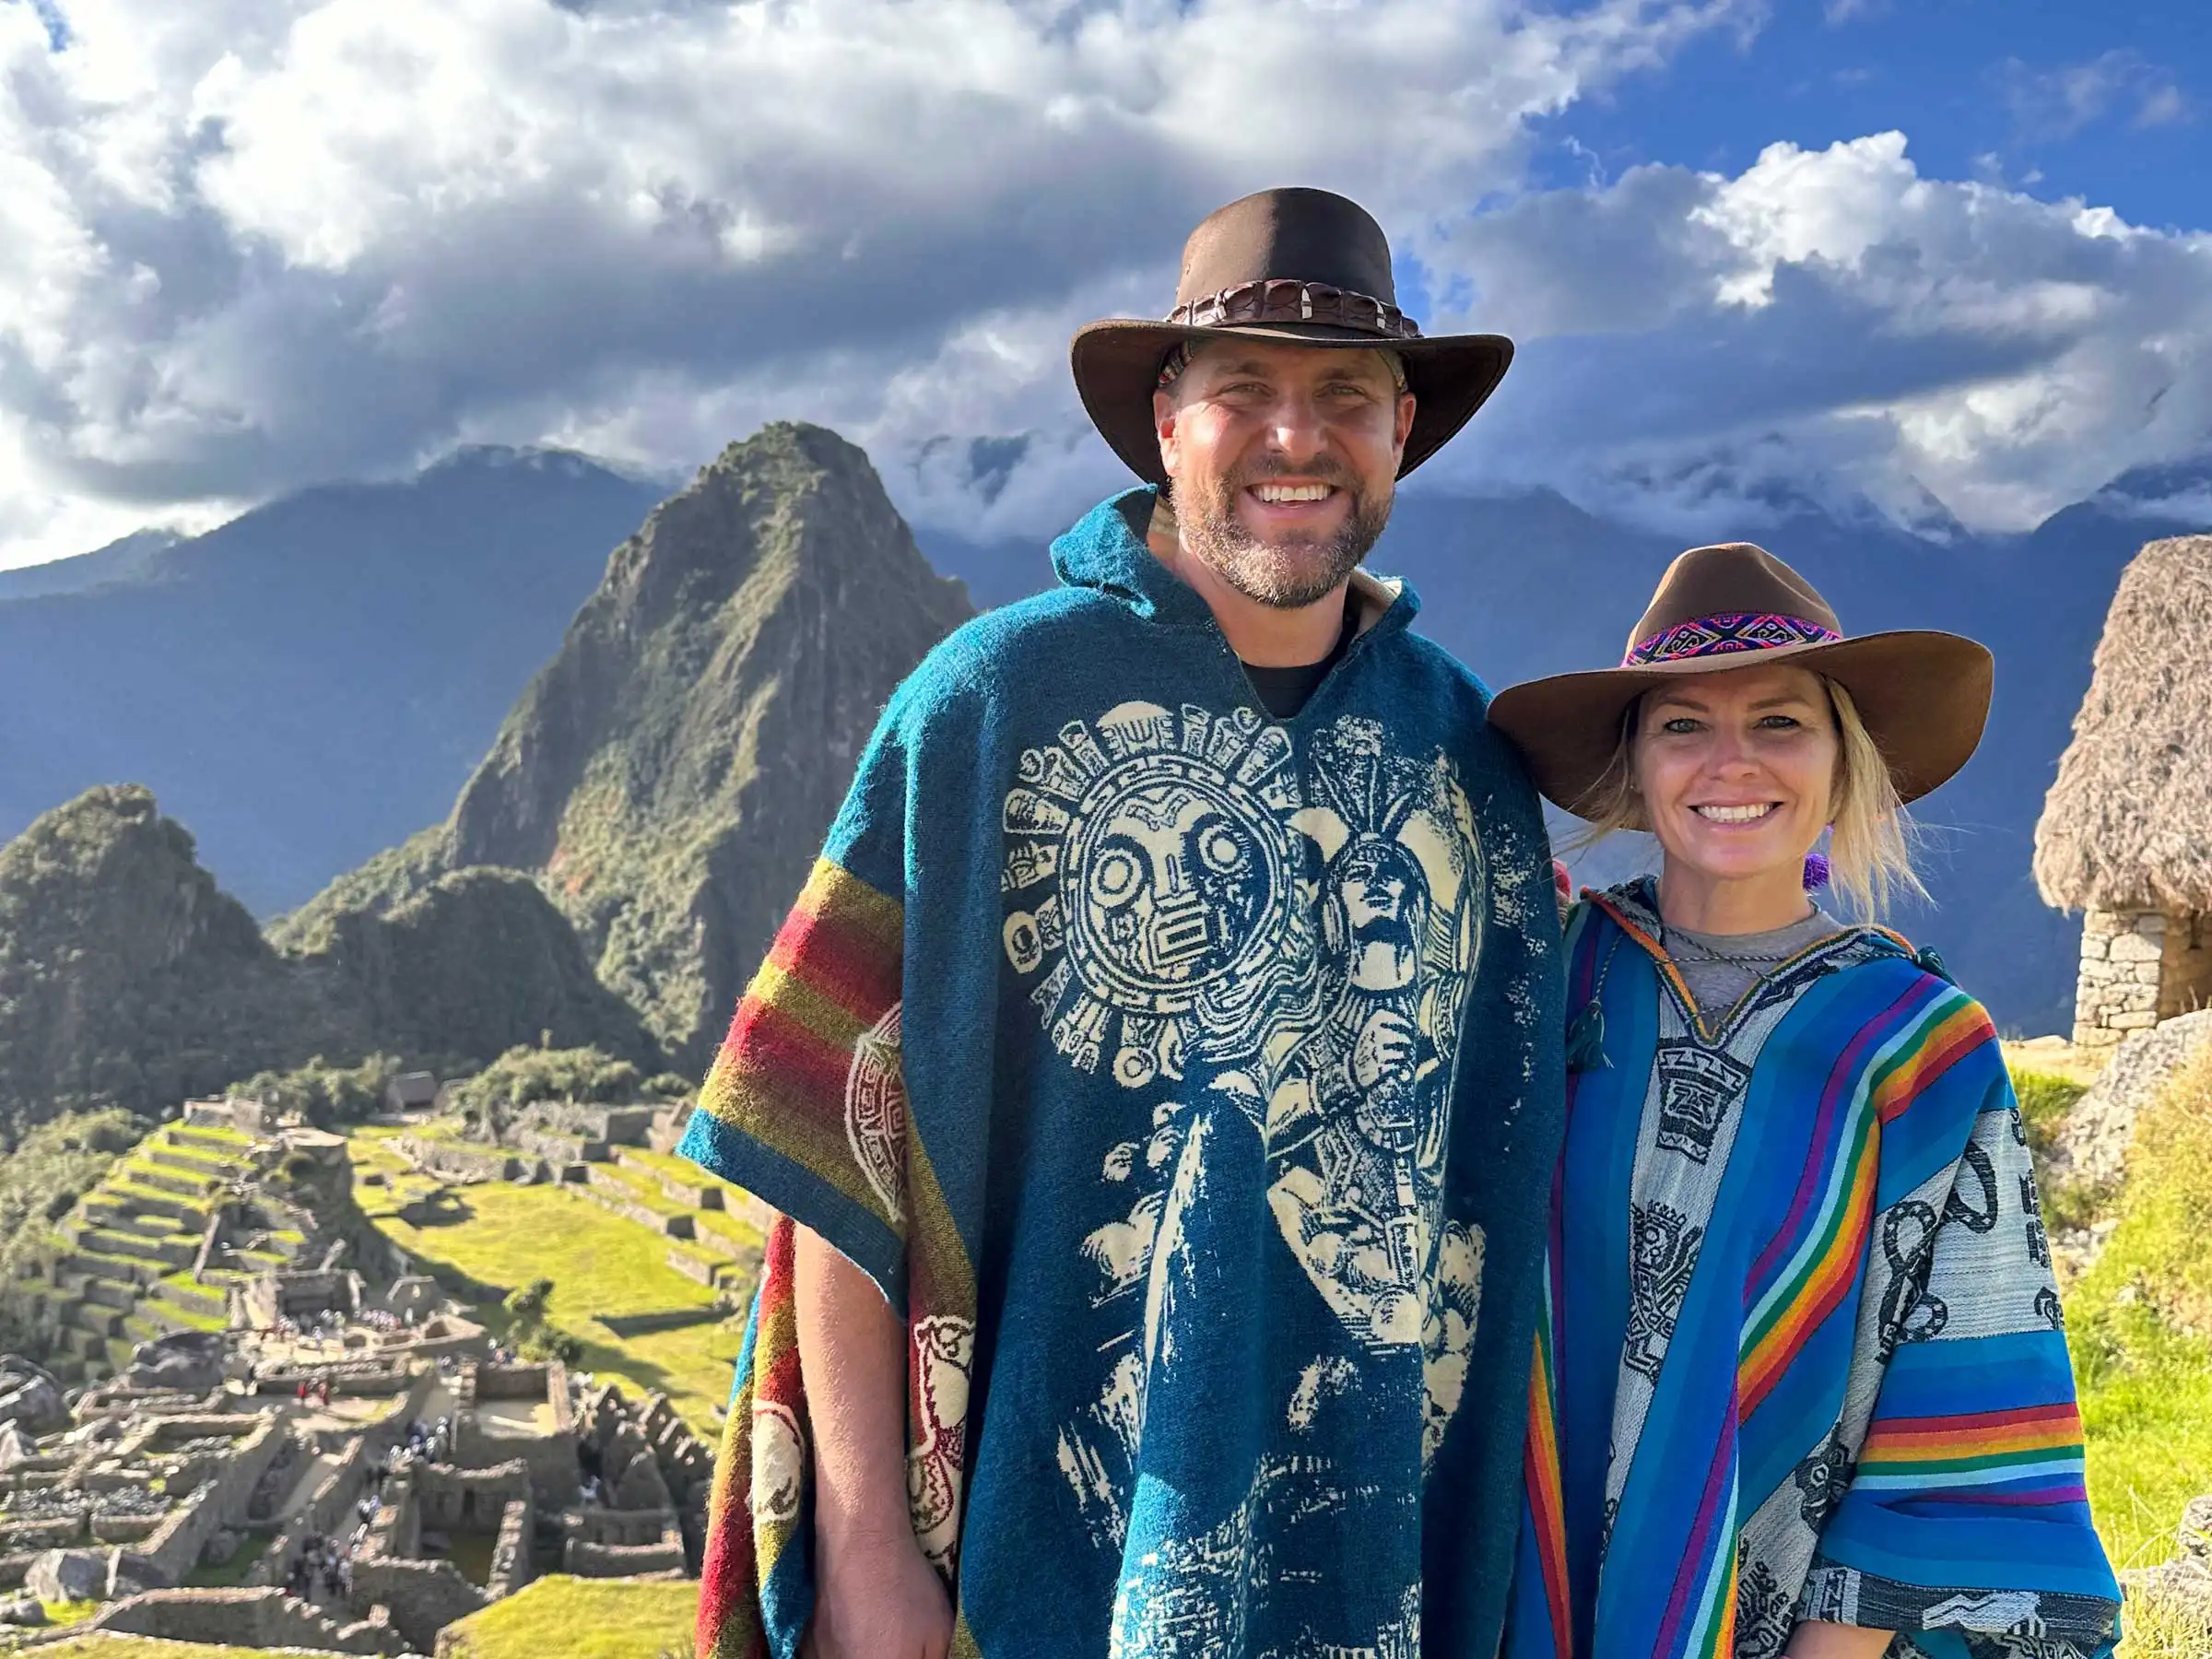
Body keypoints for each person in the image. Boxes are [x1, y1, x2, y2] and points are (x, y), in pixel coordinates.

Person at [680, 186, 1567, 1658]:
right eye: (1246, 392)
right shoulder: (987, 709)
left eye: (1345, 395)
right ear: (1167, 420)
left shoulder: (1462, 751)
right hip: (1039, 1551)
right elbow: (836, 1137)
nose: (1299, 439)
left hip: (1371, 1546)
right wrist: (864, 1544)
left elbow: (1509, 1142)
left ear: (1402, 429)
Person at [1483, 544, 2121, 1658]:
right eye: (1682, 725)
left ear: (1843, 764)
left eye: (1780, 722)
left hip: (1791, 1623)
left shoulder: (1916, 1049)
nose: (1731, 763)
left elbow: (1955, 1386)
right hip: (1508, 1594)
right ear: (1636, 765)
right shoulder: (1549, 981)